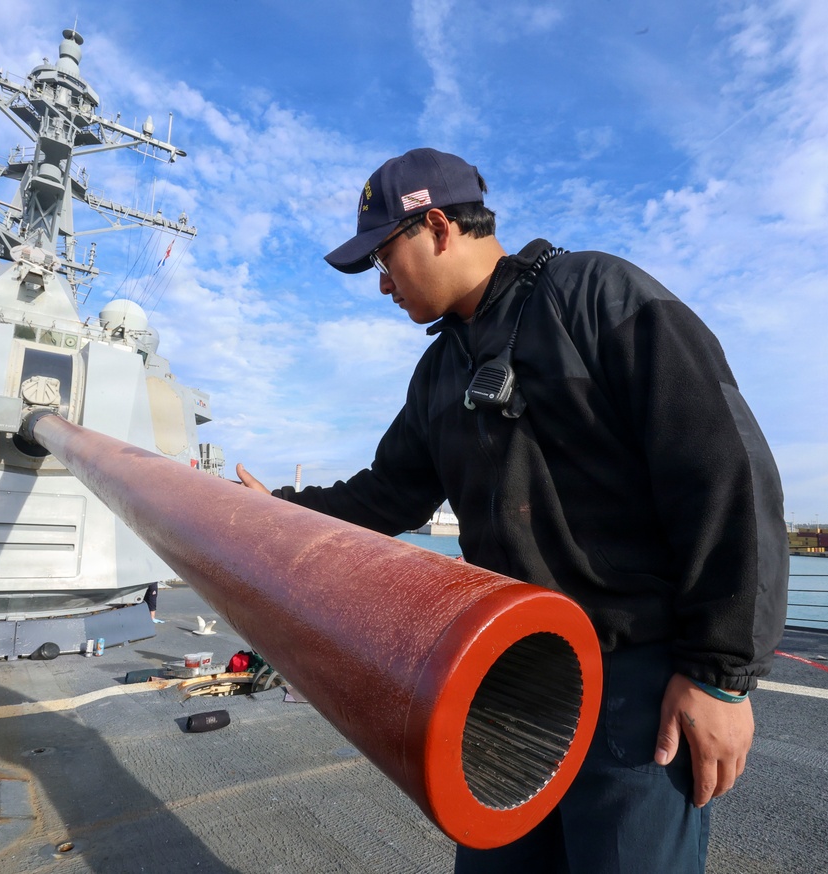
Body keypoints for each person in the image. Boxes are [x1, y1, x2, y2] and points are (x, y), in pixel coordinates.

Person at [237, 148, 788, 873]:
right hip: (508, 681)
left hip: (636, 688)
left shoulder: (596, 295)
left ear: (436, 226)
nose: (381, 285)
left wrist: (721, 674)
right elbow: (386, 494)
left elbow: (724, 467)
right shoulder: (440, 371)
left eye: (383, 258)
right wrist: (276, 513)